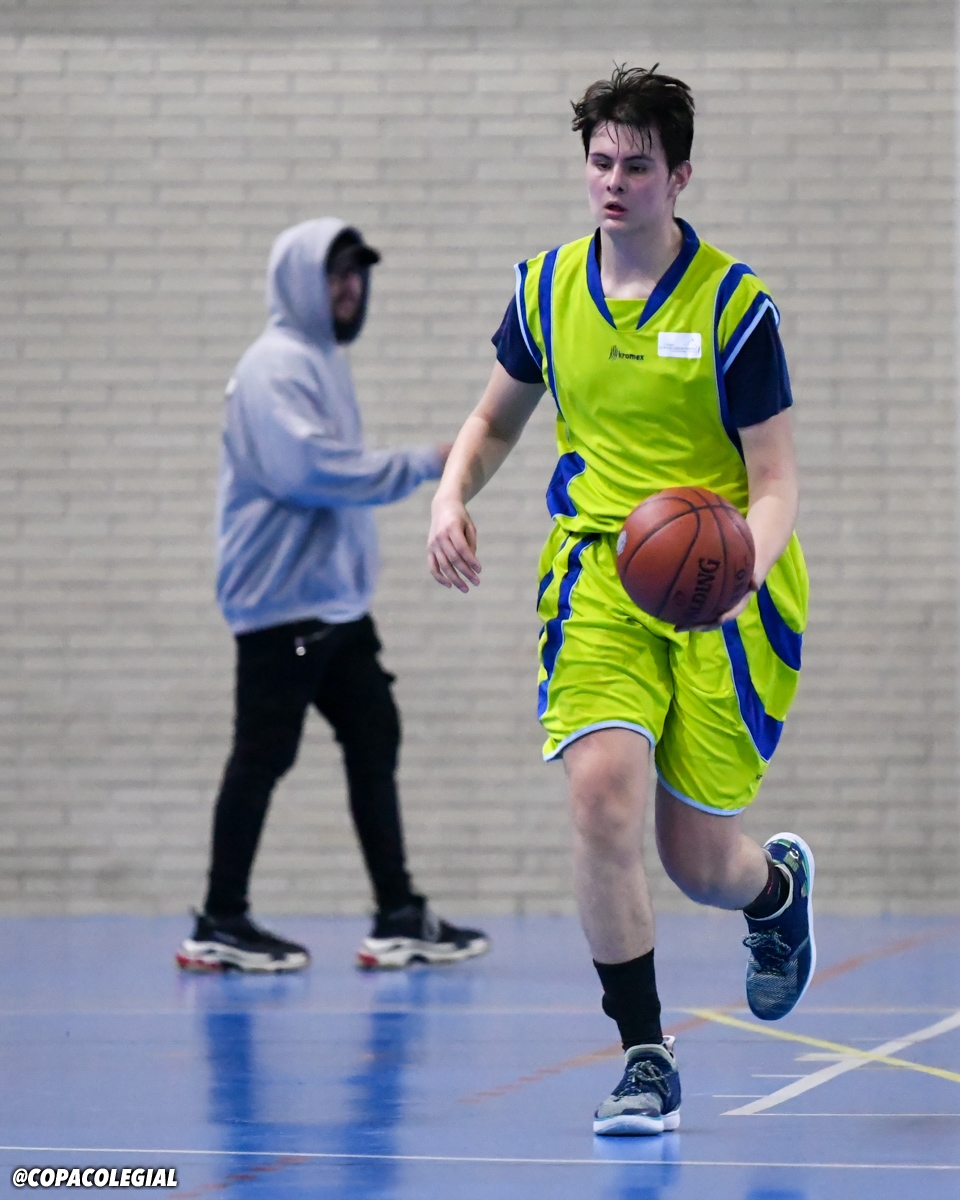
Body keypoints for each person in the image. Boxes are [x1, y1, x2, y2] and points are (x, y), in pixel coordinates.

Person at [427, 66, 813, 1135]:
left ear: (679, 176)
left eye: (636, 166)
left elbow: (776, 480)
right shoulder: (548, 289)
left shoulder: (734, 307)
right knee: (601, 796)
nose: (612, 181)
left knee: (700, 864)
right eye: (599, 162)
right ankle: (645, 1055)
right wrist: (451, 495)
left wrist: (741, 570)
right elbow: (494, 420)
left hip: (722, 579)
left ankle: (773, 895)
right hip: (601, 571)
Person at [177, 218, 488, 974]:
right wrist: (424, 462)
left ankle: (398, 914)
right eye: (335, 272)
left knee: (373, 733)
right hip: (283, 606)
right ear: (298, 281)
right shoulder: (273, 367)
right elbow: (309, 472)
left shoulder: (319, 361)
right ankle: (220, 920)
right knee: (262, 754)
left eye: (358, 273)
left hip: (332, 606)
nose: (350, 287)